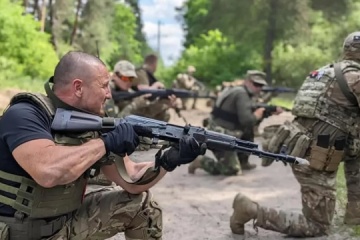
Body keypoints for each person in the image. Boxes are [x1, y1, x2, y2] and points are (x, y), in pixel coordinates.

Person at [0, 51, 203, 239]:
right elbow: (47, 171)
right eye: (104, 85)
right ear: (78, 87)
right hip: (20, 234)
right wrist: (105, 143)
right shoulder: (26, 114)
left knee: (141, 205)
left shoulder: (94, 120)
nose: (109, 94)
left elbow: (131, 179)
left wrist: (167, 160)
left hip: (66, 225)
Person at [230, 31, 360, 237]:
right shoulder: (355, 78)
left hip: (301, 146)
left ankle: (355, 213)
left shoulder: (325, 72)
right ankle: (250, 210)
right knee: (317, 227)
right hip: (317, 158)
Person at [188, 70, 282, 175]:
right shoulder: (242, 94)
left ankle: (242, 161)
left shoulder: (240, 91)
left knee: (248, 131)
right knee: (232, 170)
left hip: (224, 131)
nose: (259, 88)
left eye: (261, 85)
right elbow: (247, 120)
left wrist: (267, 112)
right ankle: (201, 161)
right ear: (247, 82)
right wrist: (258, 114)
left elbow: (248, 117)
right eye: (256, 84)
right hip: (219, 135)